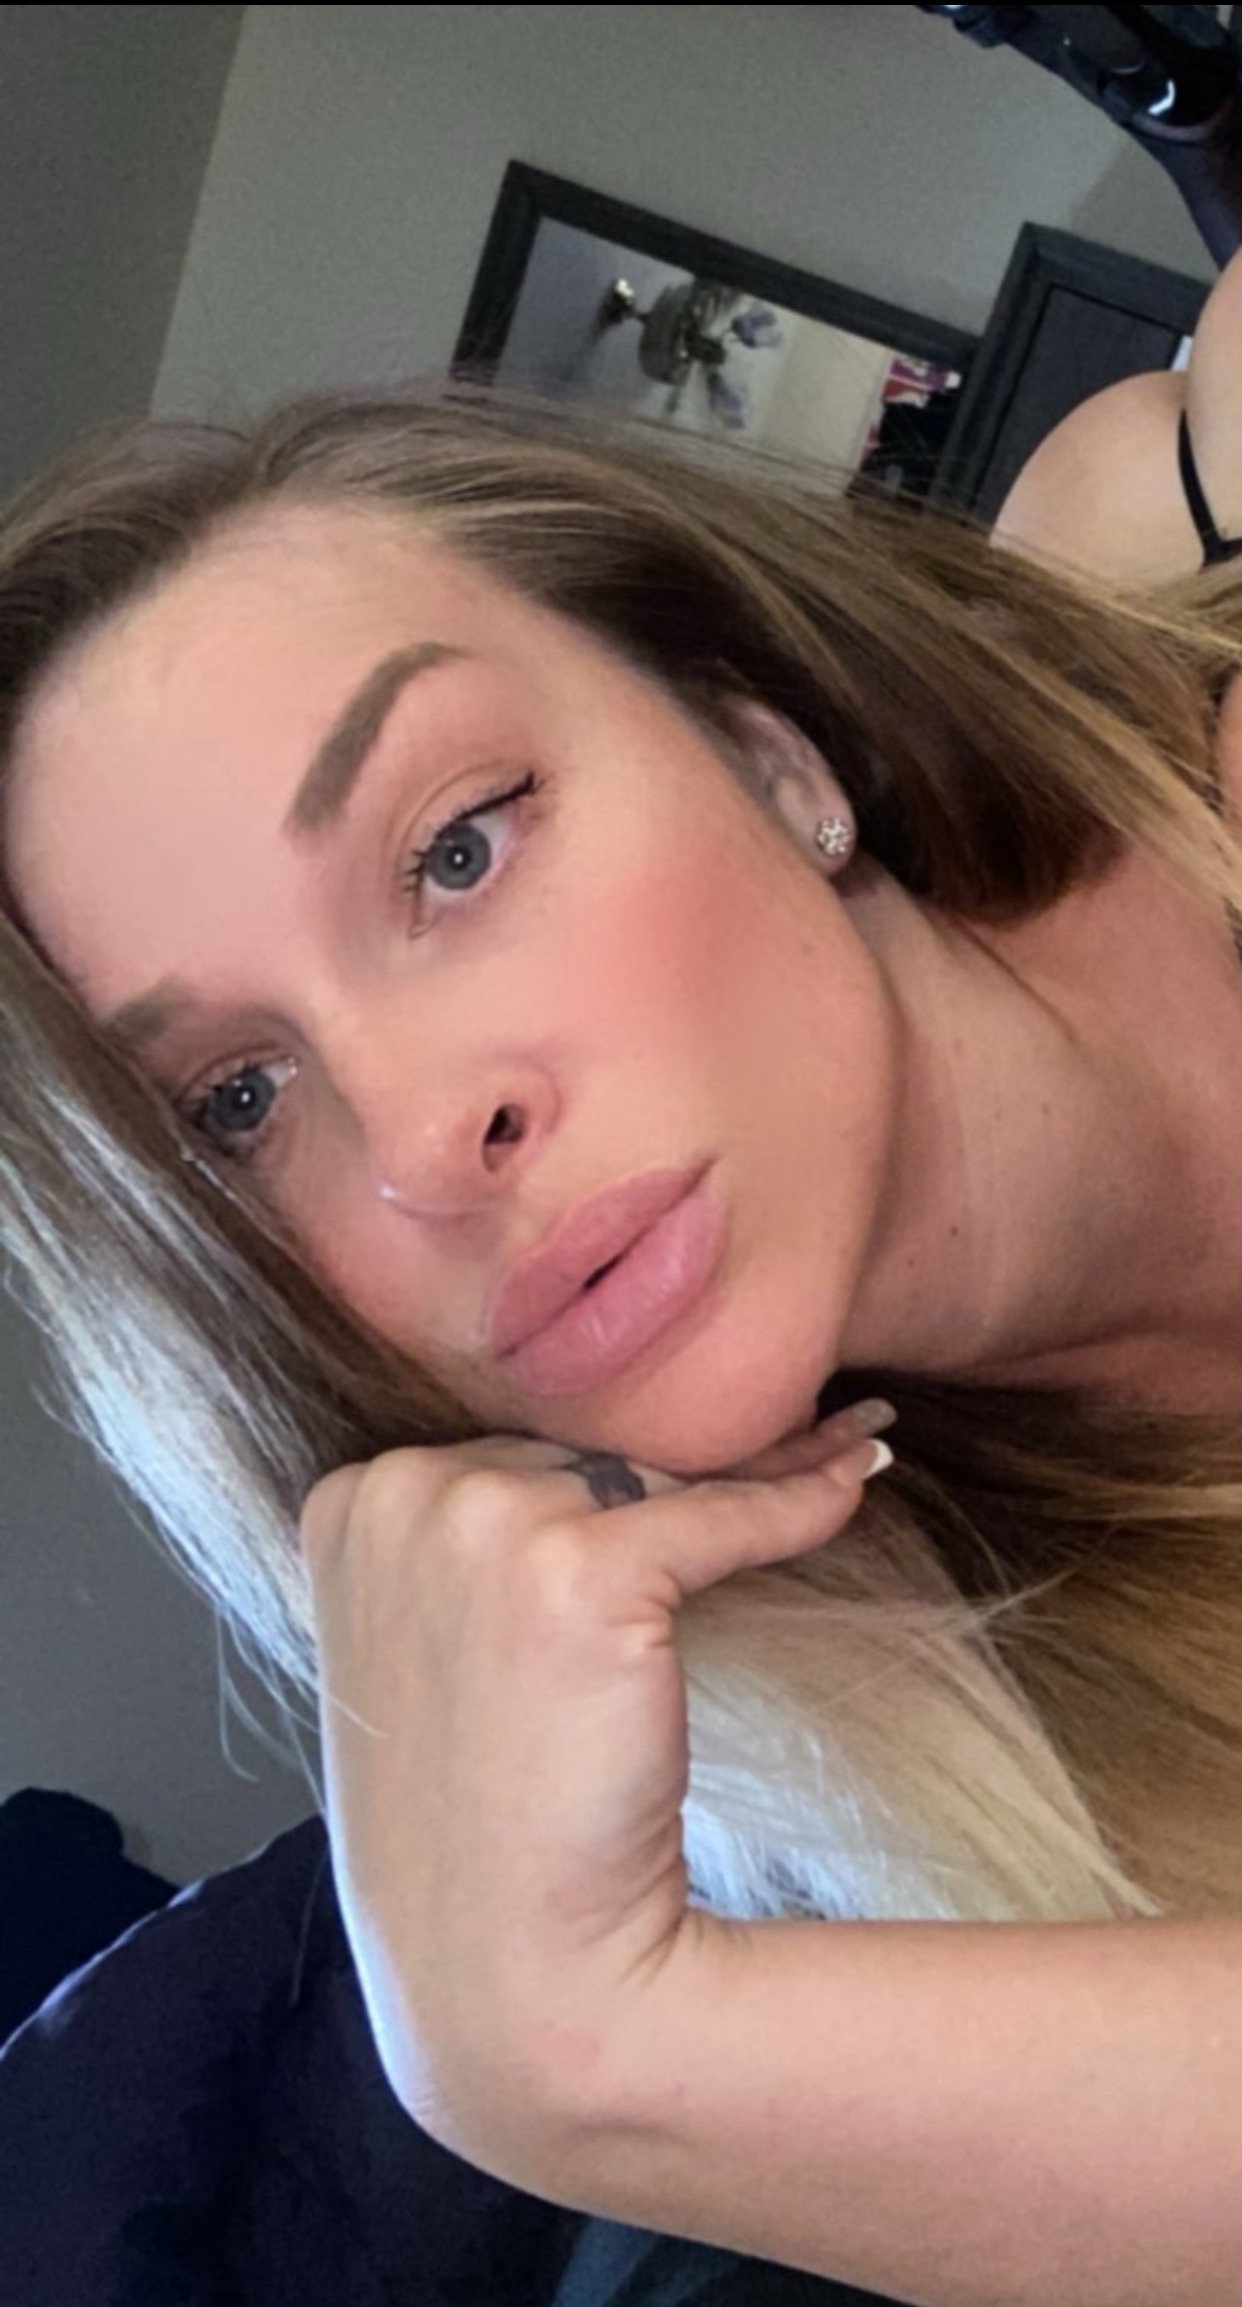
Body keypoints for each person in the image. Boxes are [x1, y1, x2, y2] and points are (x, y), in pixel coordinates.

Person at [5, 242, 1242, 2303]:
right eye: (237, 1101)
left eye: (459, 847)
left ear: (768, 754)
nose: (422, 1140)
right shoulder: (917, 1809)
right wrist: (586, 2058)